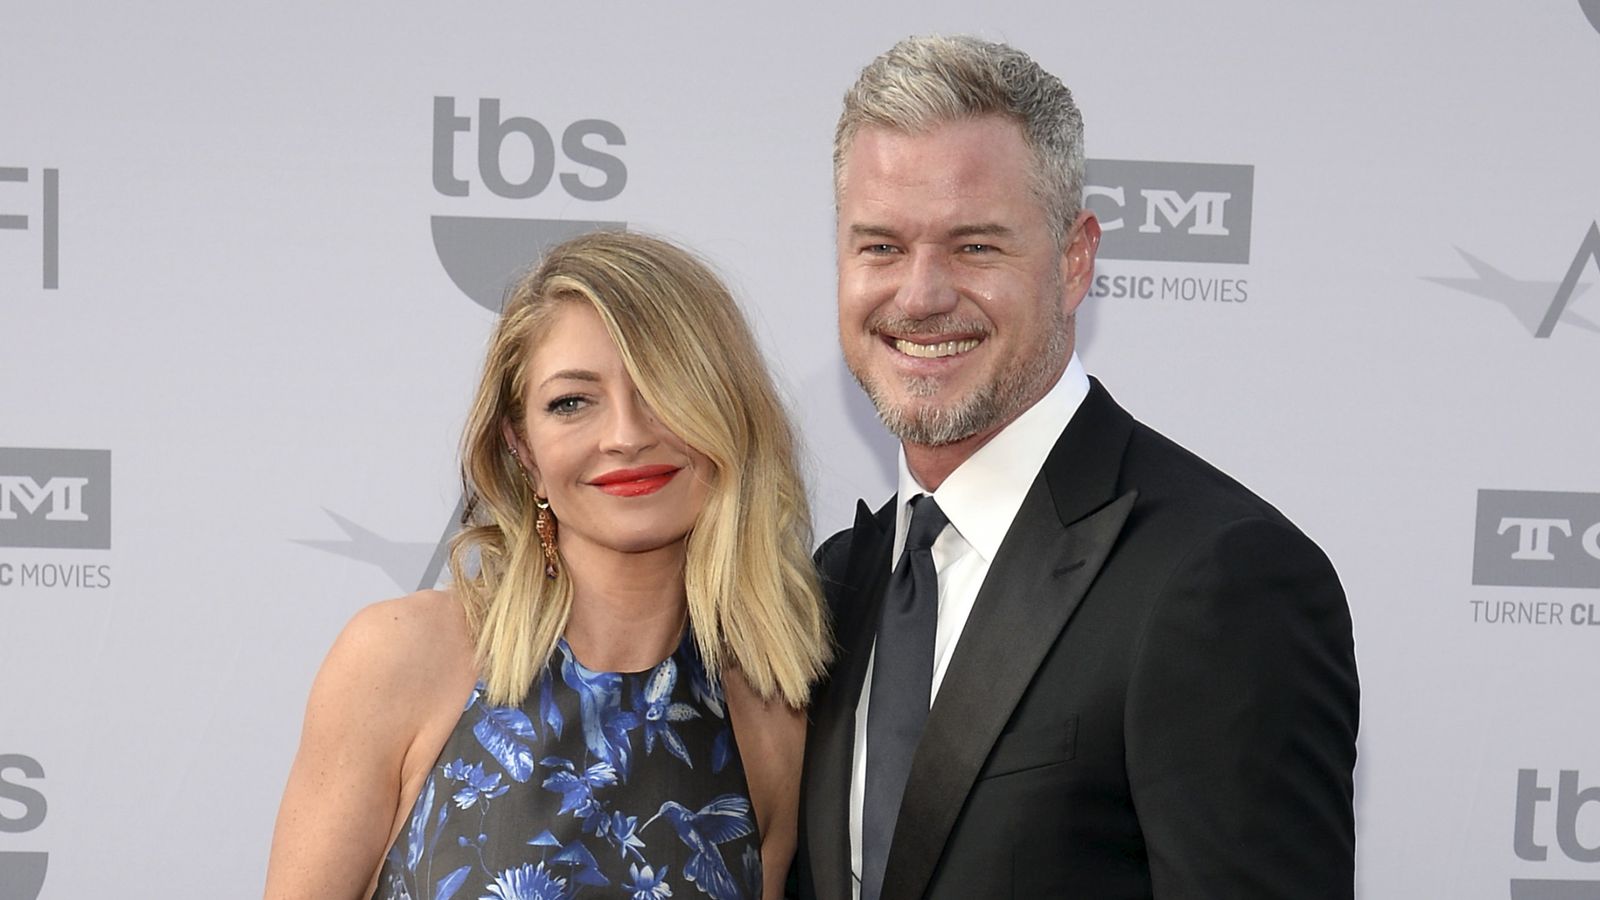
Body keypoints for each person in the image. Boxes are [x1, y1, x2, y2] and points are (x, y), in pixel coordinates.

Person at [796, 35, 1359, 900]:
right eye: (880, 247)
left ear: (1074, 260)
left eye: (976, 247)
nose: (920, 295)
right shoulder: (841, 580)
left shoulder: (1221, 578)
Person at [264, 231, 832, 900]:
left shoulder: (769, 716)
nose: (625, 433)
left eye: (663, 388)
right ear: (522, 449)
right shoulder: (403, 658)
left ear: (730, 414)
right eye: (571, 402)